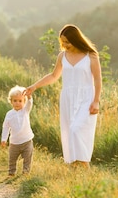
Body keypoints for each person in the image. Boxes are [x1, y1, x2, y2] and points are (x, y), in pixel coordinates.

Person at [24, 24, 101, 168]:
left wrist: (96, 101)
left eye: (67, 42)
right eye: (62, 42)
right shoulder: (62, 56)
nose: (64, 45)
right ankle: (73, 167)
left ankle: (85, 166)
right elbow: (54, 76)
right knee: (68, 131)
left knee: (77, 129)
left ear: (76, 40)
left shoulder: (91, 56)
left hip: (86, 98)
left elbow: (97, 79)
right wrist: (35, 86)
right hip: (67, 98)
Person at [1, 85, 34, 176]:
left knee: (28, 157)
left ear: (24, 101)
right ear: (11, 101)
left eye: (20, 101)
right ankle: (11, 172)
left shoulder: (25, 111)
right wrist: (4, 139)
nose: (17, 103)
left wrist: (29, 96)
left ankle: (25, 173)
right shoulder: (9, 114)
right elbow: (6, 127)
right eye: (15, 101)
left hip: (27, 140)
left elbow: (30, 104)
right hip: (14, 142)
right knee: (12, 158)